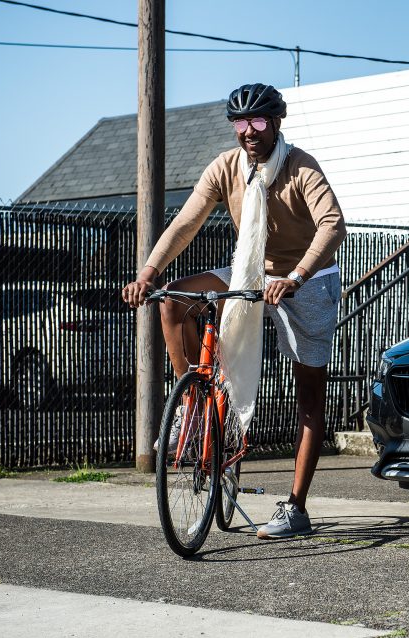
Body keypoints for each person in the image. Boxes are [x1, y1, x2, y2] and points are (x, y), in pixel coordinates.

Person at [122, 83, 346, 539]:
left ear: (276, 123)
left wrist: (297, 276)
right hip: (249, 270)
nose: (248, 132)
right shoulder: (226, 167)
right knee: (172, 297)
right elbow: (186, 221)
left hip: (307, 280)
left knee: (309, 398)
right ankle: (197, 402)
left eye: (258, 122)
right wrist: (148, 271)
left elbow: (333, 224)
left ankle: (296, 508)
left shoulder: (300, 167)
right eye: (240, 124)